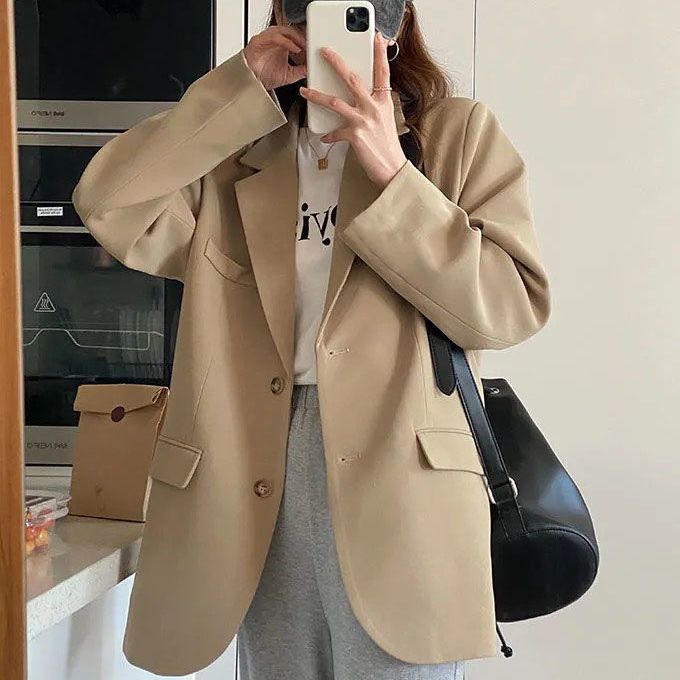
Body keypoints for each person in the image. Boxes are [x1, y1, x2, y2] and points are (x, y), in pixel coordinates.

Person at [72, 1, 552, 678]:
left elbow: (507, 306)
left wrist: (394, 175)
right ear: (280, 16)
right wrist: (236, 88)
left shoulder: (456, 136)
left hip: (401, 470)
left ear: (395, 22)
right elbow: (107, 203)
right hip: (251, 455)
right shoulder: (236, 147)